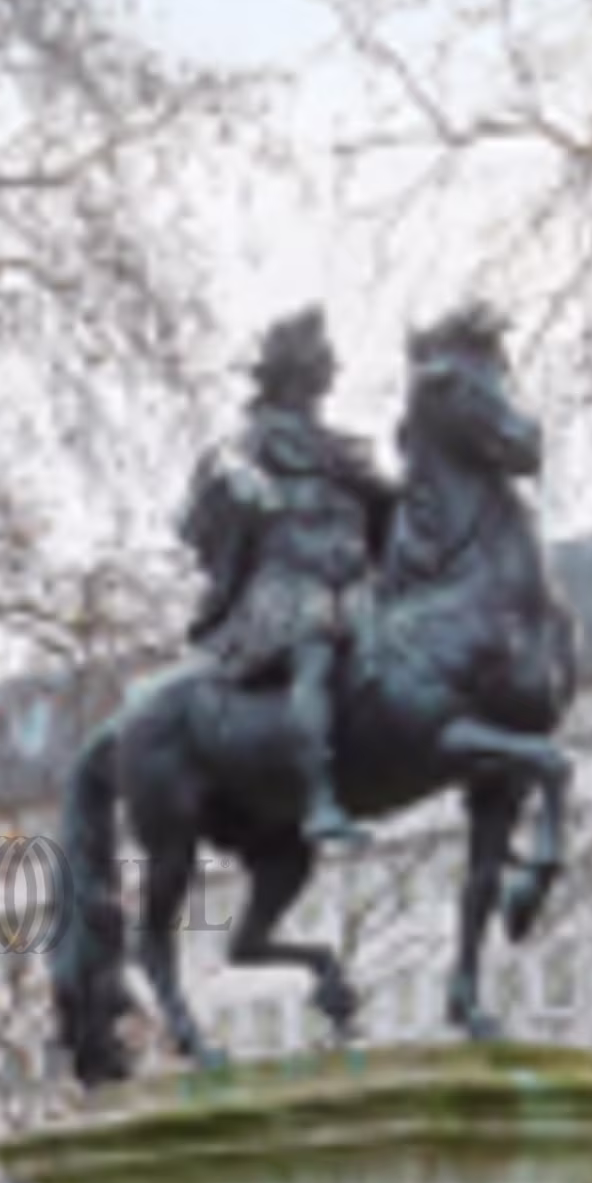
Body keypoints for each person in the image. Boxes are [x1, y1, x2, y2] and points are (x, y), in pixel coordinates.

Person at [175, 305, 399, 850]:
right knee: (313, 650)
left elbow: (392, 511)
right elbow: (209, 482)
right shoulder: (253, 441)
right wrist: (235, 477)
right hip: (285, 587)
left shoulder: (343, 448)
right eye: (321, 357)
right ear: (295, 369)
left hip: (354, 586)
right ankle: (319, 799)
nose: (332, 367)